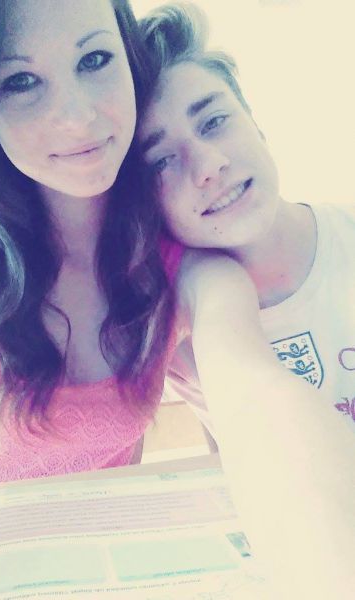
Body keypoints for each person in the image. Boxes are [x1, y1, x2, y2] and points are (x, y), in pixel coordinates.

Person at [0, 0, 182, 490]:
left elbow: (249, 389)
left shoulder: (170, 244)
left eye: (94, 59)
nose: (78, 117)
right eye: (20, 82)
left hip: (111, 535)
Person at [135, 4, 355, 599]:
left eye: (214, 122)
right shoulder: (174, 333)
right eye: (162, 160)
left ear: (254, 121)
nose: (209, 166)